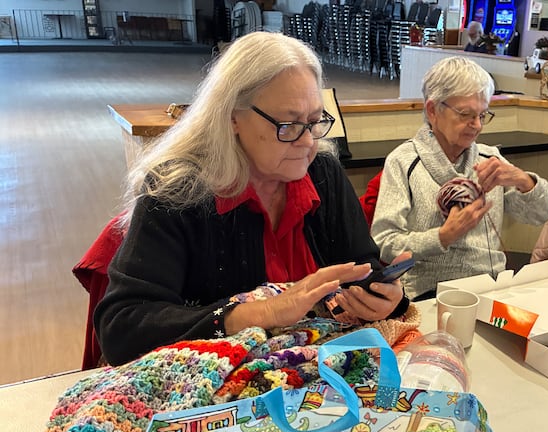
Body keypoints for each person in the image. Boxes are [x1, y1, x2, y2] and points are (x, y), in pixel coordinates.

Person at [94, 31, 410, 365]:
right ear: (233, 117)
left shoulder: (323, 174)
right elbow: (121, 329)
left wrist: (385, 298)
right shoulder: (178, 192)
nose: (307, 143)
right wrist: (263, 312)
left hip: (315, 375)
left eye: (314, 122)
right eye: (287, 125)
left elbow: (362, 266)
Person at [370, 56, 548, 301]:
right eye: (466, 114)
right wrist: (441, 237)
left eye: (483, 115)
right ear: (432, 110)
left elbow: (546, 213)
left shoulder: (490, 160)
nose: (477, 125)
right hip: (428, 294)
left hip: (490, 289)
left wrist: (523, 181)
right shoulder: (404, 162)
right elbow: (383, 242)